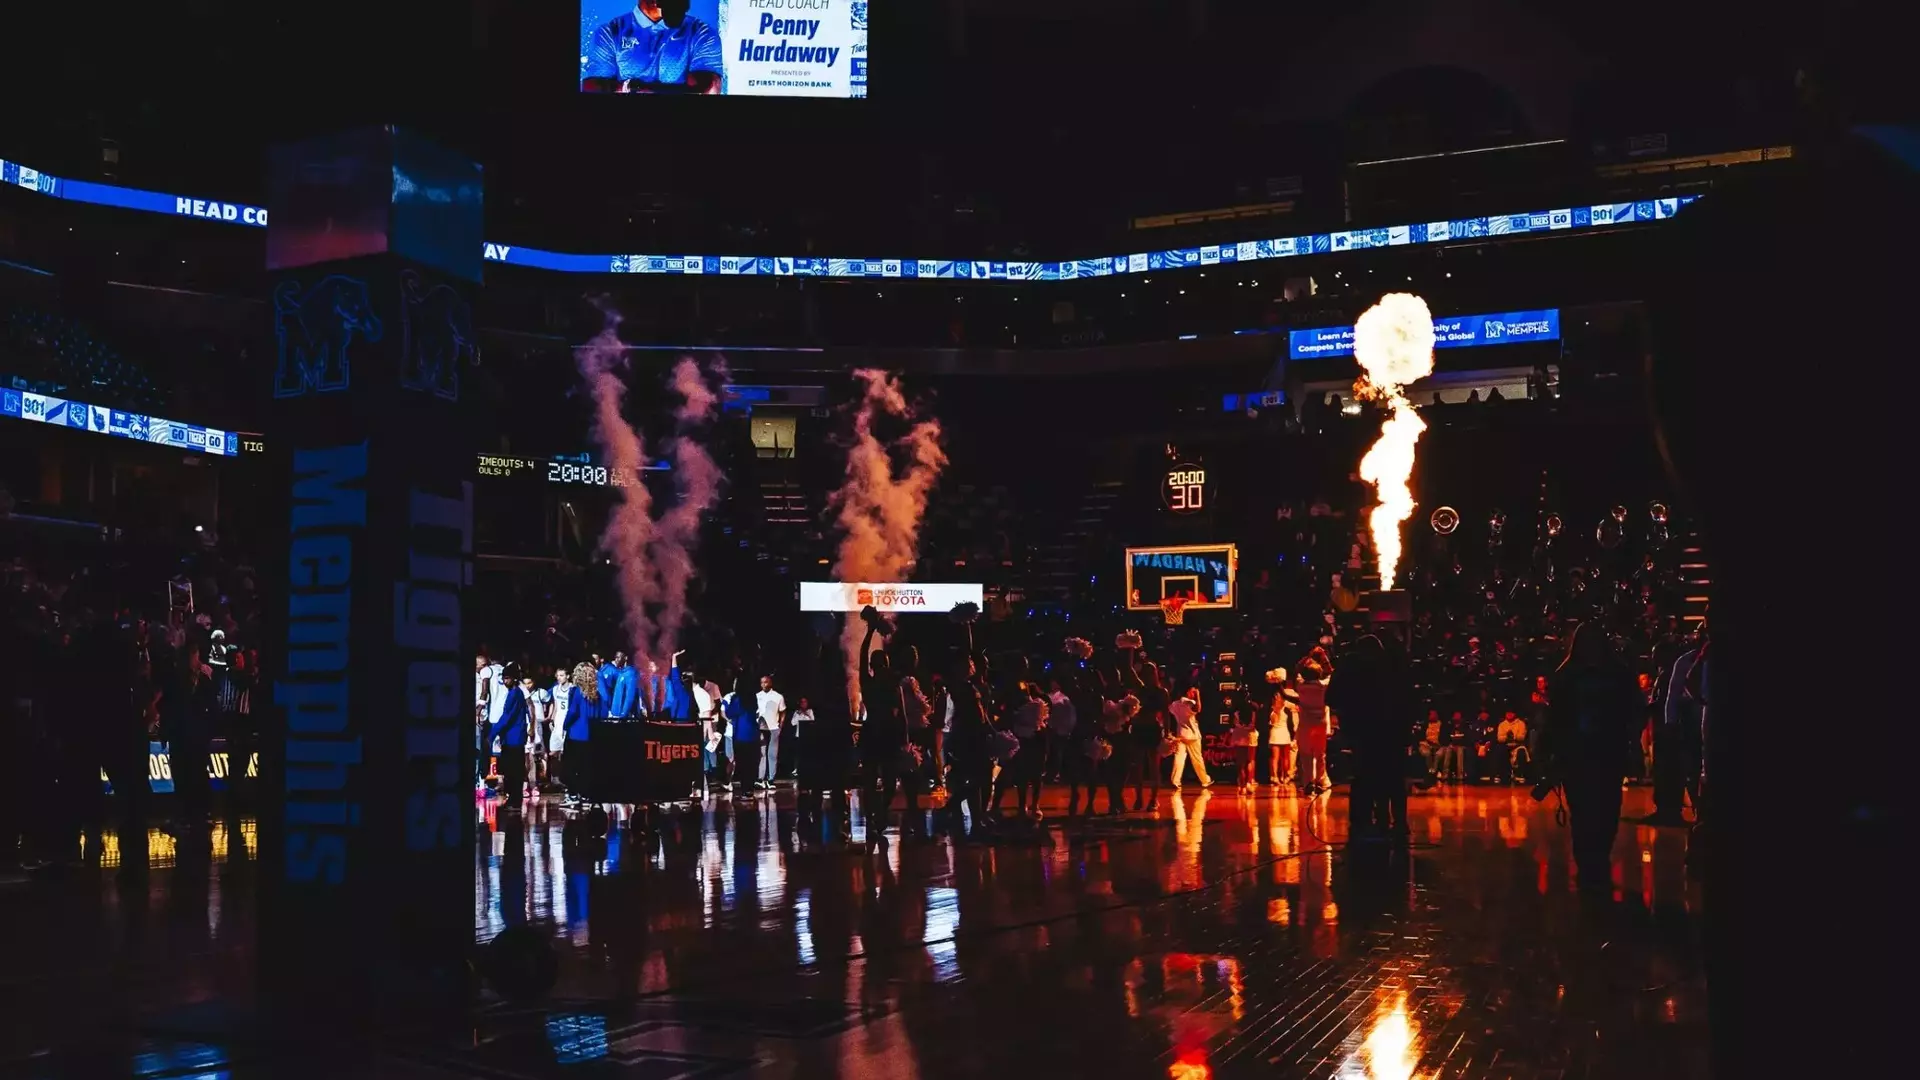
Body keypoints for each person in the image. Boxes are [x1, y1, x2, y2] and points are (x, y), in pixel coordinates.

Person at [1544, 623, 1641, 892]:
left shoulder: (1570, 675)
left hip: (1598, 751)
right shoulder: (1612, 673)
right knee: (1594, 810)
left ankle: (1593, 862)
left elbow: (1554, 720)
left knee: (1599, 809)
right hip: (1590, 751)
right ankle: (1592, 863)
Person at [580, 0, 724, 95]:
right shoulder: (610, 32)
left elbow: (709, 90)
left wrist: (636, 88)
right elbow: (591, 88)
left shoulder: (702, 34)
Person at [488, 668, 531, 811]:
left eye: (507, 678)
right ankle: (514, 799)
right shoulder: (516, 693)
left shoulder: (514, 694)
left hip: (514, 738)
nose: (505, 681)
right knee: (513, 769)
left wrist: (492, 733)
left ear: (514, 679)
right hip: (513, 737)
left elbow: (507, 717)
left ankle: (514, 800)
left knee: (513, 770)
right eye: (504, 679)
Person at [563, 662, 600, 805]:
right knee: (586, 767)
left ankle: (572, 795)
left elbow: (573, 711)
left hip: (576, 733)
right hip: (591, 734)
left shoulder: (577, 691)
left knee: (572, 767)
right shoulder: (596, 693)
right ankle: (585, 795)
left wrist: (565, 725)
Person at [1294, 661, 1332, 794]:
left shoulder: (1300, 686)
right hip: (1320, 724)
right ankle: (1320, 781)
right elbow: (1331, 674)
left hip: (1305, 724)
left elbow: (1298, 672)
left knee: (1306, 755)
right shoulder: (1323, 686)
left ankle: (1308, 782)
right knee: (1320, 754)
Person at [1168, 685, 1213, 790]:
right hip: (1193, 735)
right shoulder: (1190, 703)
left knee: (1179, 758)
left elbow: (1169, 709)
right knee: (1197, 759)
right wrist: (1198, 696)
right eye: (1192, 692)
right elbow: (1198, 709)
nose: (1193, 694)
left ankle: (1175, 781)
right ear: (1187, 692)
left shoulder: (1175, 704)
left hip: (1181, 734)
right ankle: (1205, 780)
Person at [725, 675, 760, 797]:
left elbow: (729, 713)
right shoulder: (753, 697)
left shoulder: (737, 699)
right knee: (751, 763)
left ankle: (745, 790)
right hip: (753, 734)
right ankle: (750, 789)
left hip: (741, 734)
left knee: (743, 763)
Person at [755, 674, 787, 790]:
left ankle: (771, 779)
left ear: (770, 683)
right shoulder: (757, 696)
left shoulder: (778, 696)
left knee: (772, 754)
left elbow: (783, 711)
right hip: (761, 727)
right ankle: (760, 778)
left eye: (766, 682)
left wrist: (780, 725)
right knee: (761, 753)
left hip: (773, 727)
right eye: (762, 682)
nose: (764, 684)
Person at [1267, 670, 1298, 790]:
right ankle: (1284, 776)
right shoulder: (1287, 710)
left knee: (1275, 757)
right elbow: (1290, 724)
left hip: (1275, 733)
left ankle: (1274, 777)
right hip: (1285, 734)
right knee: (1285, 757)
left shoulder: (1272, 711)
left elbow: (1272, 723)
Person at [609, 652, 639, 721]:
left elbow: (629, 697)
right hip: (615, 714)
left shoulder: (630, 674)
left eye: (618, 657)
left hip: (623, 717)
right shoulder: (621, 673)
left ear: (625, 658)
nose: (616, 660)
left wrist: (623, 715)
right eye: (615, 657)